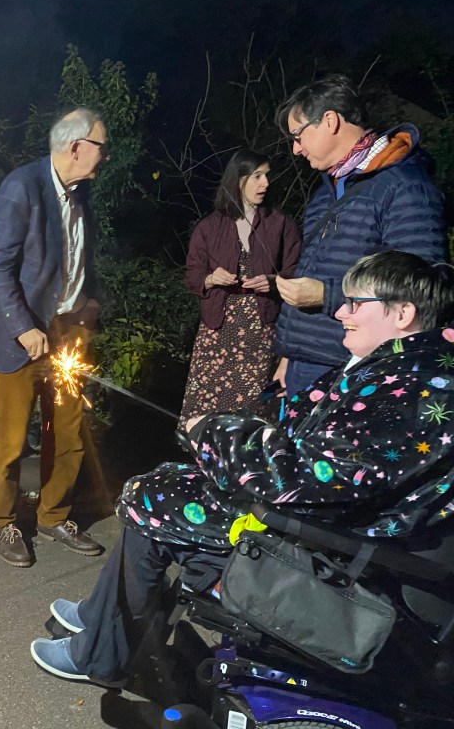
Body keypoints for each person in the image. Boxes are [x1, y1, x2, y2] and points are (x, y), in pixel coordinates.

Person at [30, 250, 454, 686]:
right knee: (159, 485)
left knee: (152, 499)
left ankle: (103, 654)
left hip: (327, 554)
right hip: (317, 524)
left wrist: (215, 435)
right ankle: (104, 618)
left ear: (403, 313)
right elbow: (295, 425)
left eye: (355, 303)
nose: (341, 312)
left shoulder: (414, 391)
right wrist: (222, 429)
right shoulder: (396, 369)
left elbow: (311, 479)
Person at [0, 108, 106, 568]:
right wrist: (23, 327)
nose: (106, 154)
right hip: (18, 335)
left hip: (67, 334)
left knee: (68, 433)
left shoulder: (81, 195)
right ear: (76, 146)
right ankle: (2, 522)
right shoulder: (22, 188)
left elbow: (83, 260)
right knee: (9, 440)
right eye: (101, 145)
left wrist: (90, 304)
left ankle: (53, 515)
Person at [272, 74, 446, 397]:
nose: (295, 150)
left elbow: (423, 288)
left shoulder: (405, 187)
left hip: (357, 371)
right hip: (304, 367)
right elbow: (310, 271)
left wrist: (327, 296)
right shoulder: (325, 193)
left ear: (329, 121)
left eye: (298, 135)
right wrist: (289, 356)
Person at [180, 148, 301, 425]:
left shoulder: (281, 223)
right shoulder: (210, 226)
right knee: (209, 405)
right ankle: (206, 458)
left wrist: (273, 281)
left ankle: (255, 458)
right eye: (257, 176)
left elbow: (297, 270)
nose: (265, 184)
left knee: (257, 403)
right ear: (238, 179)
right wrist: (211, 279)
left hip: (261, 328)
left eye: (267, 176)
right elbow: (193, 274)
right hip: (218, 329)